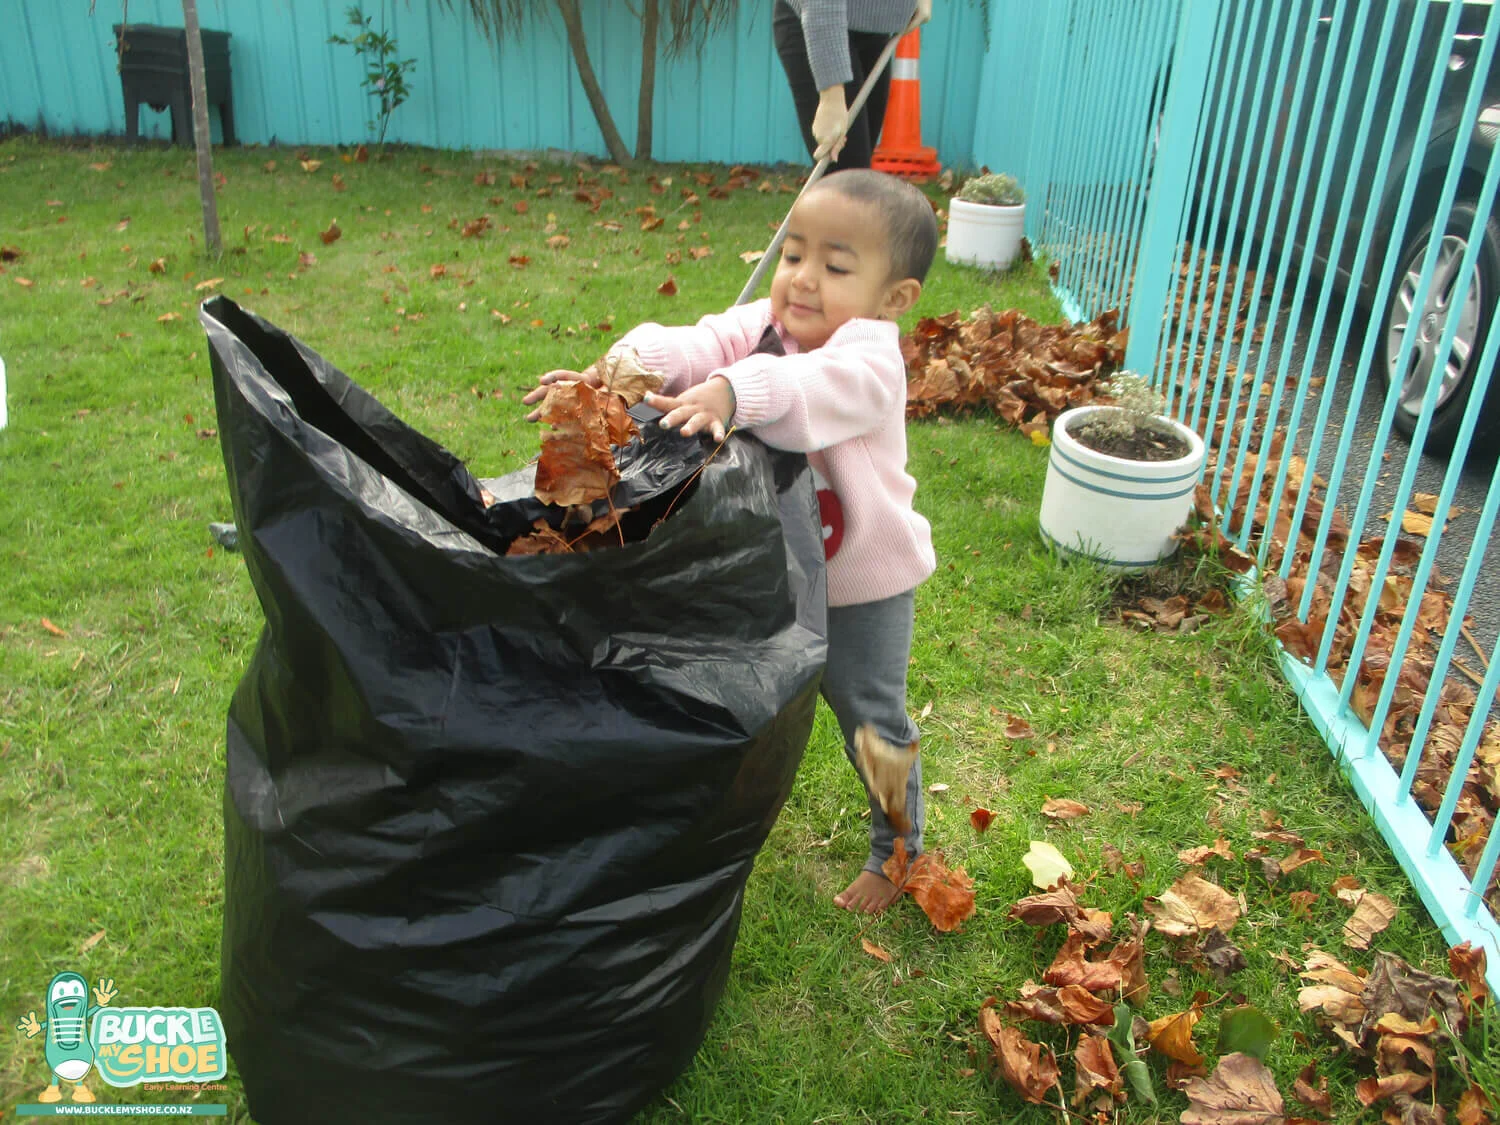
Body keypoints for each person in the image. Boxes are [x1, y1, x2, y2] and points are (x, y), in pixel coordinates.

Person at [522, 170, 939, 914]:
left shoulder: (872, 360)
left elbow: (808, 390)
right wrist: (614, 375)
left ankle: (898, 845)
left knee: (871, 716)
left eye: (836, 266)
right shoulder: (759, 329)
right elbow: (694, 341)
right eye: (793, 254)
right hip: (774, 576)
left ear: (893, 298)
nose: (803, 280)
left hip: (859, 583)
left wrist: (731, 392)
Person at [773, 0, 933, 168]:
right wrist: (831, 96)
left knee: (856, 175)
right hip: (818, 25)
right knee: (846, 179)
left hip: (872, 26)